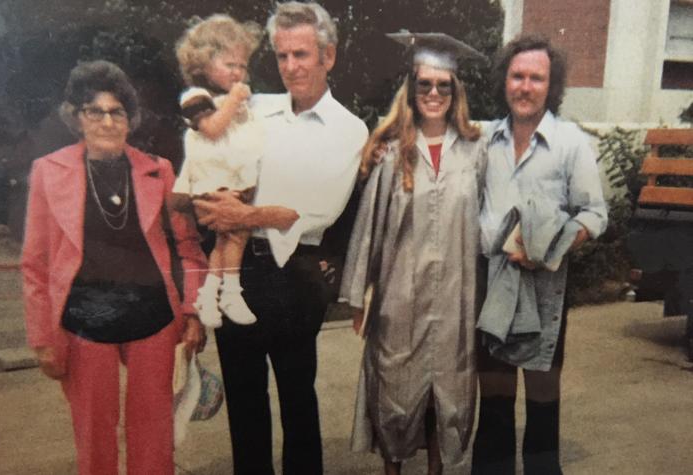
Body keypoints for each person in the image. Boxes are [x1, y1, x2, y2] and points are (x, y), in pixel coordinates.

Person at [193, 2, 368, 473]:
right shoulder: (255, 109)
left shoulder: (349, 129)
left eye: (302, 55)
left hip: (295, 277)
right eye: (282, 55)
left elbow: (318, 211)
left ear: (327, 56)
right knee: (245, 401)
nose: (291, 67)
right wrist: (231, 206)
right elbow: (212, 162)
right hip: (238, 270)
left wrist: (243, 212)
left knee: (296, 398)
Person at [21, 60, 208, 475]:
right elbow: (34, 264)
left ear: (130, 118)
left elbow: (188, 247)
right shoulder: (48, 173)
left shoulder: (159, 171)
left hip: (154, 317)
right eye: (95, 111)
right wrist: (42, 338)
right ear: (77, 117)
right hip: (84, 321)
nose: (107, 121)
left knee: (154, 436)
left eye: (117, 111)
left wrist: (193, 311)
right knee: (94, 438)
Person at [339, 32, 487, 475]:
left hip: (458, 299)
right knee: (396, 396)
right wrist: (358, 295)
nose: (434, 94)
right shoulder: (390, 154)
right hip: (400, 299)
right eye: (425, 84)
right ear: (411, 89)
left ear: (456, 91)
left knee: (449, 403)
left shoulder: (475, 151)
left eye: (444, 85)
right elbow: (369, 229)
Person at [472, 35, 608, 474]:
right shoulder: (485, 140)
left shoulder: (570, 142)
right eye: (517, 76)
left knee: (543, 400)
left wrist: (550, 247)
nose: (525, 86)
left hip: (544, 285)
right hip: (493, 282)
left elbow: (594, 214)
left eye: (536, 78)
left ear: (551, 86)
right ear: (504, 80)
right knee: (493, 401)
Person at [173, 14, 264, 327]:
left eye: (242, 65)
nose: (238, 72)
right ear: (203, 64)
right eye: (230, 64)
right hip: (212, 179)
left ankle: (210, 294)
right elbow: (211, 128)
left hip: (232, 179)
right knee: (237, 232)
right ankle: (231, 292)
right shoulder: (195, 97)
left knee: (227, 240)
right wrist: (235, 101)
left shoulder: (230, 100)